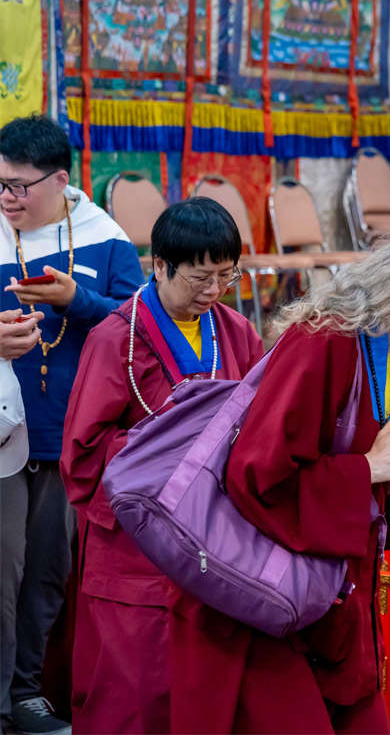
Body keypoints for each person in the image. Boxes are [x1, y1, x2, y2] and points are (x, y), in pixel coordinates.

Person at [179, 208, 390, 733]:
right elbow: (255, 477)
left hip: (340, 600)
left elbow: (372, 472)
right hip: (275, 607)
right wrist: (369, 469)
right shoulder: (325, 339)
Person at [61, 197, 263, 732]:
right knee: (131, 690)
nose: (214, 291)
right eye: (199, 277)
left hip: (213, 540)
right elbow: (83, 454)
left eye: (226, 276)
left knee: (203, 689)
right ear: (160, 265)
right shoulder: (117, 338)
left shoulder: (236, 332)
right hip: (136, 546)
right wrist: (170, 452)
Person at [0, 115, 143, 735]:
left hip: (69, 433)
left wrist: (75, 302)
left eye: (19, 186)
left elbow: (142, 325)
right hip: (2, 431)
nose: (8, 198)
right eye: (0, 184)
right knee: (1, 573)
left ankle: (27, 694)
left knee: (47, 572)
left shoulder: (103, 238)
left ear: (61, 180)